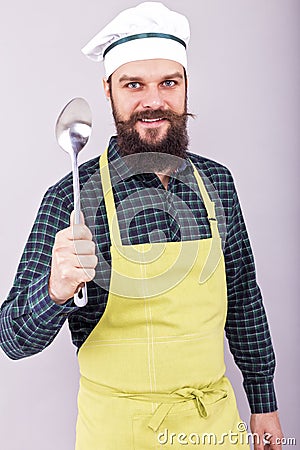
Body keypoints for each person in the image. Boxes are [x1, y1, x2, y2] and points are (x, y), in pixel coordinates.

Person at [0, 2, 283, 449]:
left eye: (168, 83)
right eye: (134, 85)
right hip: (118, 432)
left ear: (186, 87)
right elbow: (13, 339)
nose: (153, 101)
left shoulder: (218, 183)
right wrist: (55, 290)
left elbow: (244, 297)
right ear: (108, 91)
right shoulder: (72, 197)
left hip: (214, 426)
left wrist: (263, 403)